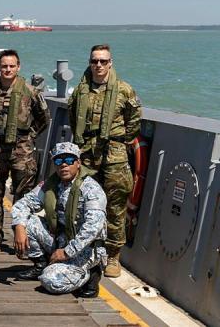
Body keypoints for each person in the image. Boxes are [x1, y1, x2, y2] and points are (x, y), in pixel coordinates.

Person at [67, 44, 141, 277]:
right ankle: (85, 250)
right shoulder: (80, 91)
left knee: (115, 207)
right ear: (89, 63)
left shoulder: (124, 90)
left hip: (114, 157)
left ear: (111, 63)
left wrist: (120, 141)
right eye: (94, 61)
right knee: (83, 203)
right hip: (87, 155)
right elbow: (72, 115)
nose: (98, 65)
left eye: (103, 61)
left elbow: (134, 120)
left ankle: (112, 256)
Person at [0, 49, 50, 253]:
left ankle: (22, 238)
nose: (7, 69)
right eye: (4, 66)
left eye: (11, 66)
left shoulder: (30, 91)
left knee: (23, 196)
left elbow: (44, 118)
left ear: (18, 67)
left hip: (21, 151)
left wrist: (30, 135)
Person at [11, 142, 107, 297]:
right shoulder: (52, 184)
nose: (63, 165)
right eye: (58, 161)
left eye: (69, 160)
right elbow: (24, 204)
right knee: (25, 222)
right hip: (60, 240)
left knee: (50, 281)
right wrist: (19, 228)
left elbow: (93, 228)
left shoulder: (92, 189)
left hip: (85, 248)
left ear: (78, 163)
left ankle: (91, 273)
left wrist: (67, 252)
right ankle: (41, 264)